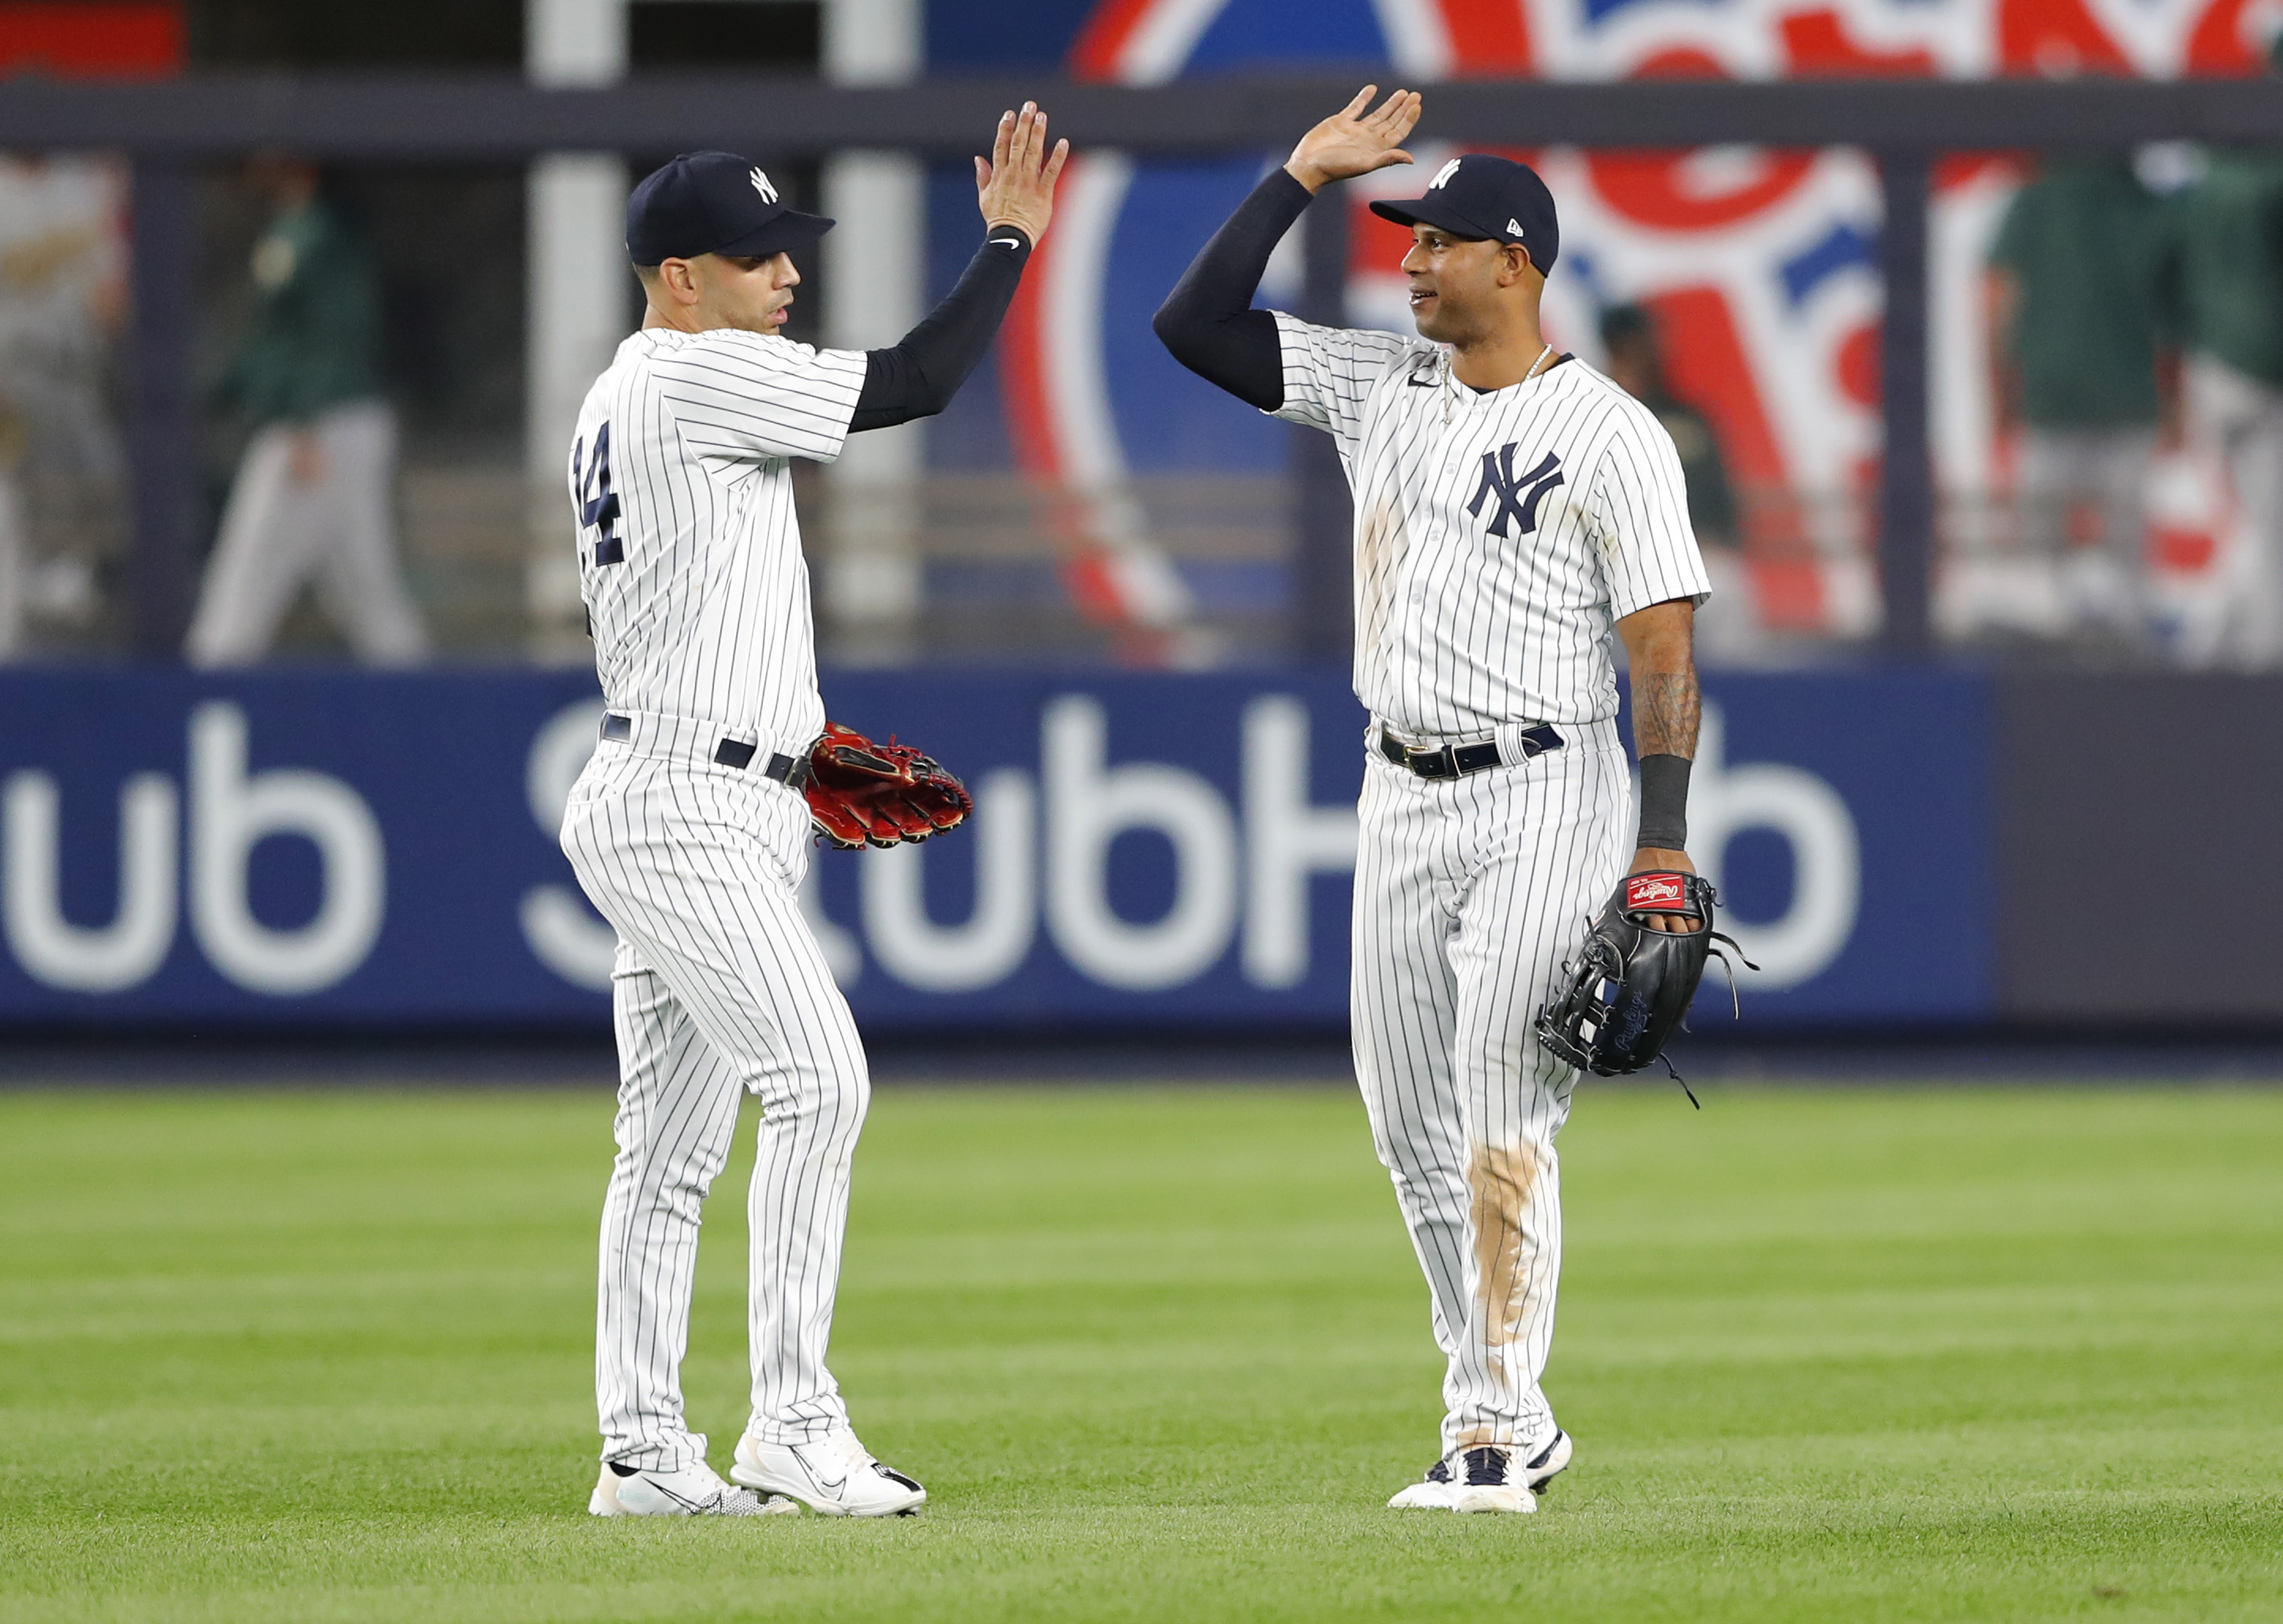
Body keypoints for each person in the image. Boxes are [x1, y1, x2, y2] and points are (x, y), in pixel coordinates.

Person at [1156, 89, 1713, 1513]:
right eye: (1409, 237)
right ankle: (1502, 1404)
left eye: (1441, 240)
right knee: (1407, 1126)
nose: (1410, 259)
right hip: (1397, 787)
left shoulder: (1611, 433)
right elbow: (1192, 326)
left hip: (1545, 785)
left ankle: (1491, 1423)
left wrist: (1658, 848)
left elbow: (1661, 651)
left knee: (1498, 1110)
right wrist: (1292, 175)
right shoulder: (1376, 385)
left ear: (1516, 263)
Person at [561, 111, 1066, 1518]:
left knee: (666, 1154)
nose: (785, 273)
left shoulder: (626, 391)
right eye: (753, 255)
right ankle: (788, 1418)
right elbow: (919, 379)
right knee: (820, 1080)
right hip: (686, 800)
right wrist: (1012, 238)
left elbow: (699, 594)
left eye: (790, 248)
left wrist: (791, 750)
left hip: (704, 776)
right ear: (677, 277)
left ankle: (646, 1455)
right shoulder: (690, 374)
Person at [184, 154, 428, 666]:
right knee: (363, 585)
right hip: (333, 422)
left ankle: (205, 691)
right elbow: (273, 340)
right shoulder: (302, 232)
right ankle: (419, 695)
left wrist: (302, 420)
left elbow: (331, 336)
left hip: (319, 426)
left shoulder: (319, 238)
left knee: (250, 574)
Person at [2172, 24, 2283, 667]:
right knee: (2273, 533)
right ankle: (2270, 668)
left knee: (2253, 525)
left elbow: (2171, 266)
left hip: (2216, 366)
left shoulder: (2217, 164)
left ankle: (2205, 650)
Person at [1986, 150, 2180, 651]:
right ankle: (2131, 655)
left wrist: (1999, 389)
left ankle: (2046, 646)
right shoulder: (2145, 204)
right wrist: (2175, 404)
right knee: (2126, 545)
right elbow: (2173, 323)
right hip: (2127, 393)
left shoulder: (2036, 199)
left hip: (2053, 391)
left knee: (2040, 541)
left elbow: (1997, 299)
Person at [0, 153, 125, 658]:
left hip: (69, 372)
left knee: (100, 478)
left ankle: (60, 580)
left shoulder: (82, 186)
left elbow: (111, 300)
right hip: (10, 371)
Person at [1599, 302, 1762, 662]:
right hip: (1614, 561)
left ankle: (1733, 704)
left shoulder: (1686, 416)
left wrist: (1708, 534)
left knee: (1726, 588)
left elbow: (1722, 505)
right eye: (1633, 343)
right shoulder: (1590, 412)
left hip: (1691, 557)